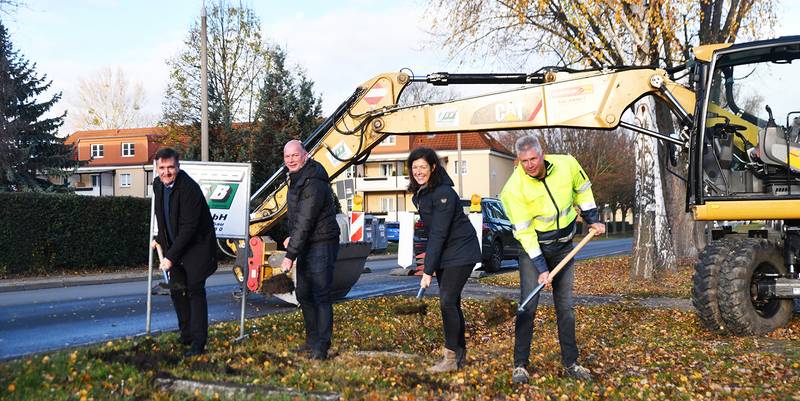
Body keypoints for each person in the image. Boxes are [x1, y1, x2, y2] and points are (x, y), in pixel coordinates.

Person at [499, 134, 605, 384]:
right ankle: (520, 365)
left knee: (565, 307)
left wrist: (592, 219)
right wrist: (540, 268)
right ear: (518, 160)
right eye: (524, 161)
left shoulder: (567, 164)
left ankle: (571, 362)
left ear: (542, 153)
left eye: (533, 158)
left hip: (564, 248)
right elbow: (524, 232)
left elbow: (583, 191)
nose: (529, 165)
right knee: (528, 305)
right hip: (533, 249)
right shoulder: (513, 189)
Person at [407, 147, 482, 373]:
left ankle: (450, 358)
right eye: (414, 167)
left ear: (433, 167)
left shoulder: (444, 194)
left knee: (447, 301)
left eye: (423, 167)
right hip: (446, 254)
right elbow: (432, 234)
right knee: (452, 302)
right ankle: (460, 354)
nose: (418, 171)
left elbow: (439, 232)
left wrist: (427, 271)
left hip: (461, 251)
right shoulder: (420, 194)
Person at [152, 147, 218, 357]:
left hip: (197, 248)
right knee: (177, 291)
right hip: (175, 248)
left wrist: (171, 257)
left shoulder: (189, 188)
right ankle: (186, 334)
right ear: (157, 168)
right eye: (162, 168)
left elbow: (189, 227)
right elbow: (162, 217)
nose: (166, 172)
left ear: (178, 167)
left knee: (195, 292)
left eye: (170, 167)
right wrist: (159, 240)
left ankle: (198, 343)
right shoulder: (157, 185)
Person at [280, 140, 341, 360]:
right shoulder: (296, 178)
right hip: (308, 242)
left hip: (322, 242)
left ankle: (322, 346)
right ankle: (312, 340)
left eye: (294, 155)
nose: (290, 160)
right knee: (303, 293)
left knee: (320, 293)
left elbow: (306, 218)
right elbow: (298, 217)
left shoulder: (313, 181)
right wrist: (292, 237)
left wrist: (290, 255)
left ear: (305, 155)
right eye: (287, 157)